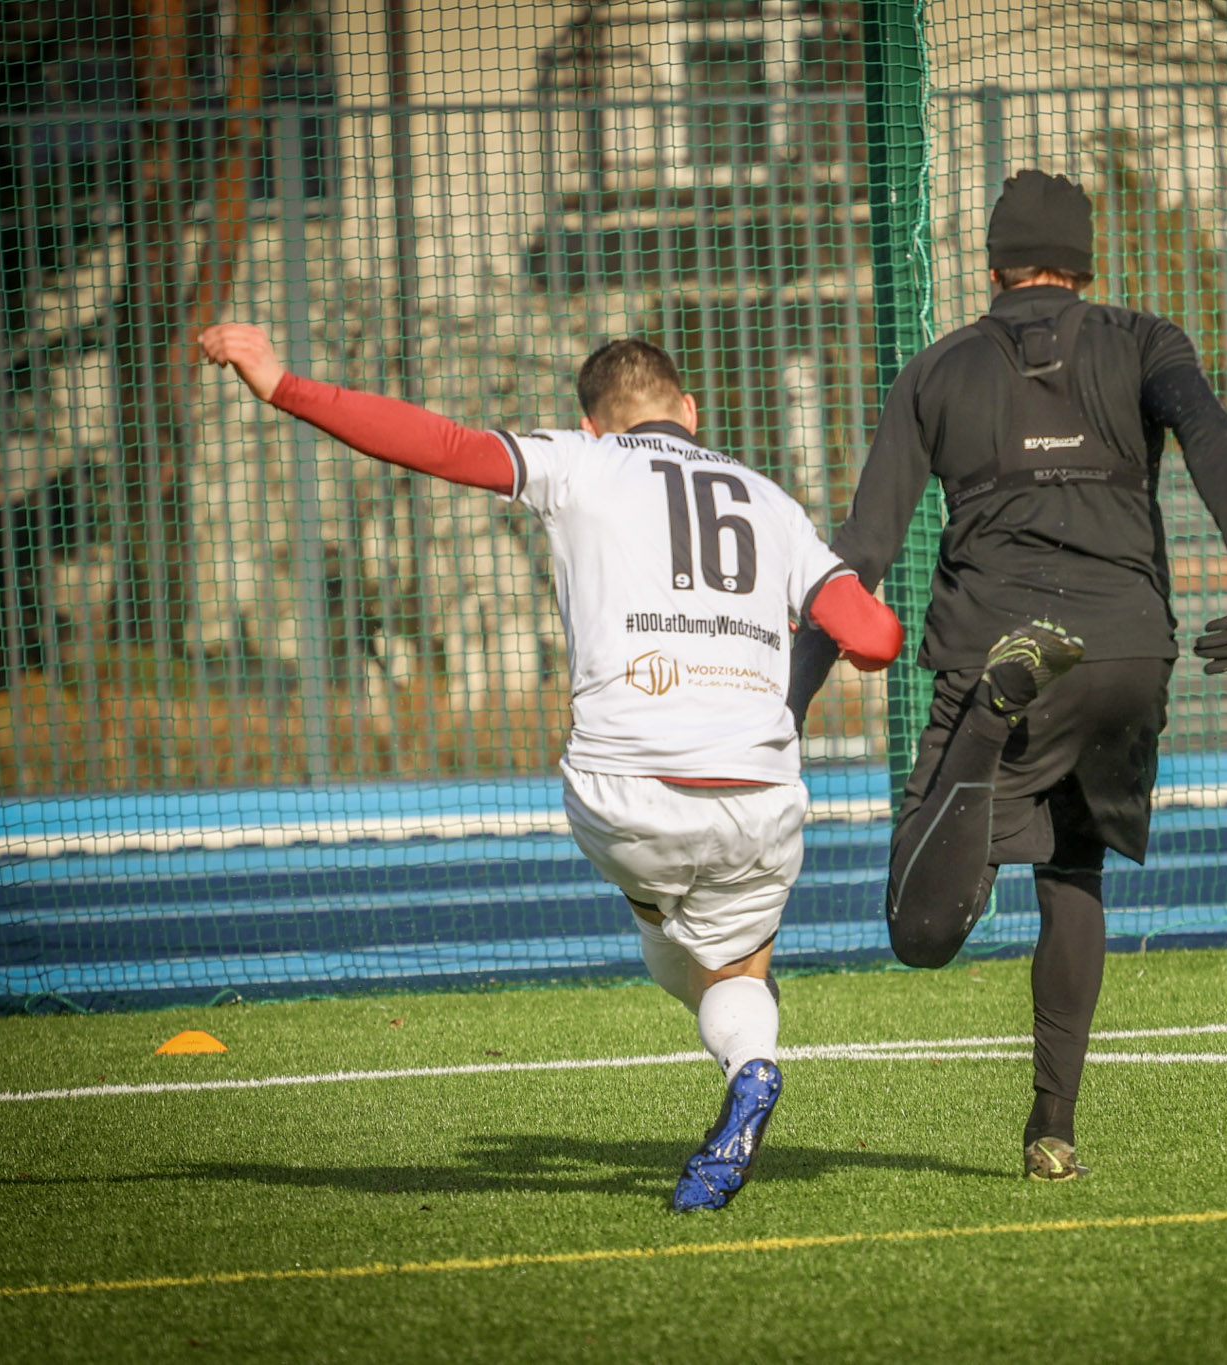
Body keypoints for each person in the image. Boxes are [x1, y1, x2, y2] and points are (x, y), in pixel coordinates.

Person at [199, 325, 903, 1211]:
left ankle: (743, 1056)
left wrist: (283, 383)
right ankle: (751, 1058)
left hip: (626, 791)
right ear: (690, 411)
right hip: (760, 795)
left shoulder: (578, 461)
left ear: (594, 424)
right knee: (735, 966)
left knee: (675, 948)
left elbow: (440, 445)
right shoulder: (772, 500)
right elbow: (877, 638)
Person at [790, 169, 1227, 1181]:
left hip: (992, 643)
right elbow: (1208, 432)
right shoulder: (1145, 342)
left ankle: (987, 725)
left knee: (920, 933)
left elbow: (862, 548)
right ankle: (1051, 1127)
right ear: (1083, 265)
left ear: (993, 265)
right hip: (1126, 653)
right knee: (1073, 873)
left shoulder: (935, 370)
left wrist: (790, 697)